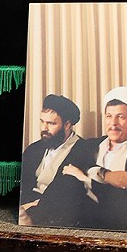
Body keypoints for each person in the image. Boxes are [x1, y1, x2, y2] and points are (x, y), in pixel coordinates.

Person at [63, 86, 127, 232]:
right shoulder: (91, 145)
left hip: (112, 223)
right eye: (109, 116)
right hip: (81, 211)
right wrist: (106, 175)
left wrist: (84, 178)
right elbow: (67, 168)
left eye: (120, 117)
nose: (113, 123)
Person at [19, 94, 90, 226]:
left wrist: (31, 207)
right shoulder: (35, 148)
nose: (44, 128)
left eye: (51, 123)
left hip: (54, 215)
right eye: (42, 122)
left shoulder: (83, 151)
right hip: (25, 207)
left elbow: (68, 193)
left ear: (67, 125)